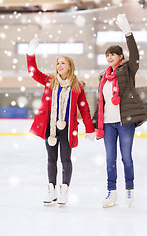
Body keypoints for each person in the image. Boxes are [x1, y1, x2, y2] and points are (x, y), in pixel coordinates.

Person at [26, 38, 95, 206]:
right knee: (51, 159)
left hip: (67, 128)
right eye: (57, 63)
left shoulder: (77, 86)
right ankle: (52, 191)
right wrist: (30, 53)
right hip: (50, 128)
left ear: (70, 66)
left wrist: (90, 128)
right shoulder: (50, 81)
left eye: (62, 63)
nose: (59, 66)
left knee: (65, 159)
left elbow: (84, 109)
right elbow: (33, 72)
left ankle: (64, 191)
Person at [92, 14, 147, 208]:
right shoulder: (103, 77)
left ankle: (129, 189)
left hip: (125, 122)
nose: (109, 57)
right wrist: (93, 125)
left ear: (120, 57)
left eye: (113, 54)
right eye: (107, 55)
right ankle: (111, 193)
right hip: (107, 123)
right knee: (110, 159)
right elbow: (101, 103)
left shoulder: (128, 70)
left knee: (126, 157)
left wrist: (128, 34)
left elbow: (136, 56)